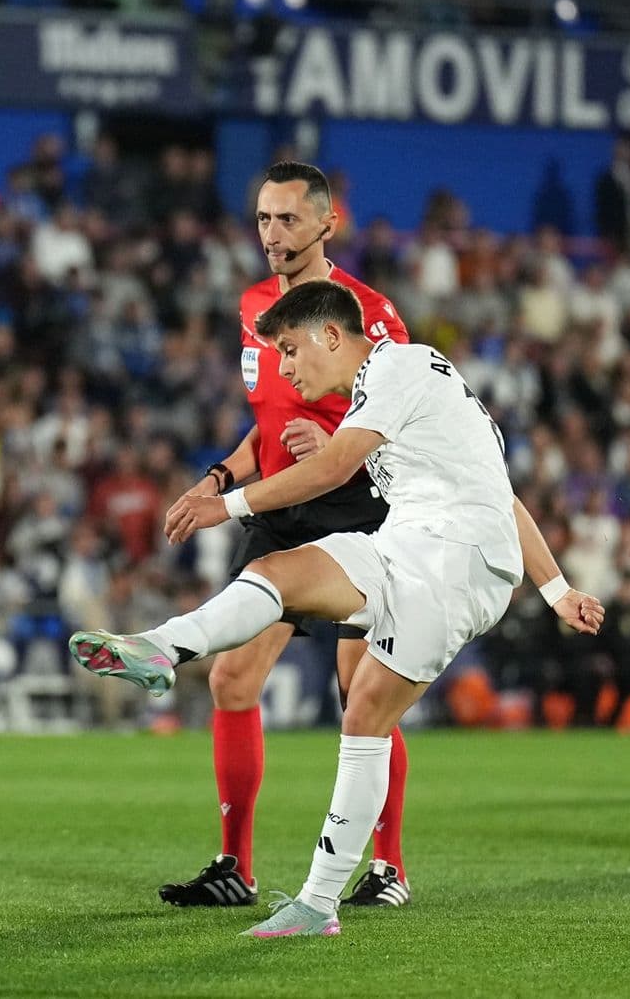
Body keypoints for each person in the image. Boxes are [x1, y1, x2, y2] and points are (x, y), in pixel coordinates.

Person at [70, 278, 604, 939]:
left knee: (365, 712)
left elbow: (342, 474)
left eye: (291, 349)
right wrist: (559, 592)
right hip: (405, 544)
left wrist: (227, 503)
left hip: (458, 566)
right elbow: (502, 493)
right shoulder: (389, 391)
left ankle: (320, 902)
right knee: (278, 571)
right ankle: (162, 649)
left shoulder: (401, 366)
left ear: (331, 335)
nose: (286, 367)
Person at [156, 161, 413, 910]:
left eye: (288, 220)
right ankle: (235, 865)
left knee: (364, 693)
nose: (273, 234)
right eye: (264, 219)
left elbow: (402, 413)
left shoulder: (370, 312)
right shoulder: (254, 305)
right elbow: (267, 422)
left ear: (326, 225)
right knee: (232, 680)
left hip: (356, 506)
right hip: (275, 508)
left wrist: (330, 434)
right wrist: (217, 476)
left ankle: (388, 868)